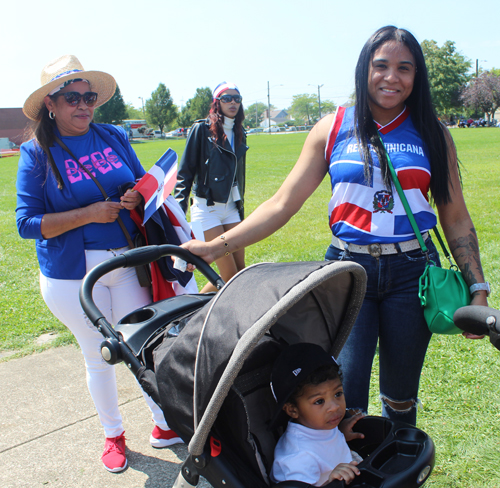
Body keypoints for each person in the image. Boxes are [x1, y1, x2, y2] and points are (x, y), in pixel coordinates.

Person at [182, 26, 489, 426]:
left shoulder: (433, 132)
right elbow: (281, 204)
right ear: (364, 70)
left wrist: (478, 289)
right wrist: (215, 247)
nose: (391, 77)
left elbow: (456, 216)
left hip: (411, 273)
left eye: (404, 68)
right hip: (347, 273)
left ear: (417, 77)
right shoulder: (333, 127)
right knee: (341, 395)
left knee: (400, 396)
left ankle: (396, 462)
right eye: (381, 66)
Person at [16, 55, 182, 473]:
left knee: (144, 346)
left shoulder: (111, 135)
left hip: (128, 259)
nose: (83, 105)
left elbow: (145, 181)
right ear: (50, 104)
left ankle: (164, 424)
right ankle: (114, 435)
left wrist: (136, 196)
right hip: (75, 274)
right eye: (71, 97)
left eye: (88, 96)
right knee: (100, 356)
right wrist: (87, 214)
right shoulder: (36, 152)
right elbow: (26, 223)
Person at [174, 82, 248, 291]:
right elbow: (185, 172)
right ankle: (191, 312)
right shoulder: (201, 130)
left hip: (232, 208)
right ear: (217, 102)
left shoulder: (240, 132)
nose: (232, 102)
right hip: (208, 209)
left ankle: (193, 309)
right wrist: (179, 212)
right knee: (230, 276)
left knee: (239, 271)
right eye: (226, 98)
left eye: (237, 98)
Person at [270, 343, 364, 486]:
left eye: (338, 394)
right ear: (292, 410)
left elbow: (324, 447)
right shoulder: (298, 458)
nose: (334, 406)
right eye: (319, 401)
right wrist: (330, 482)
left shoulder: (320, 424)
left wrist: (340, 434)